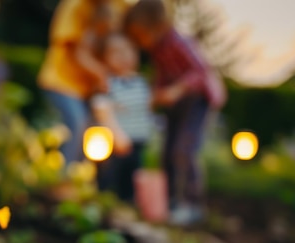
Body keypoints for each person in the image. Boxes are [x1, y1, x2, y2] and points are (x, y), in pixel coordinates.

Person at [123, 0, 226, 225]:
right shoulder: (158, 50)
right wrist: (156, 94)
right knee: (167, 152)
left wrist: (175, 90)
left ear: (157, 26)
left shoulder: (180, 42)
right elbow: (162, 75)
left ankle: (193, 204)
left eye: (140, 35)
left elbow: (201, 73)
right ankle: (169, 201)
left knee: (183, 150)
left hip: (198, 101)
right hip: (177, 105)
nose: (139, 42)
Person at [38, 0, 126, 166]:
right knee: (77, 125)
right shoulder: (75, 6)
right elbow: (77, 52)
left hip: (88, 89)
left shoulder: (116, 6)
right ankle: (65, 178)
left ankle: (86, 180)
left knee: (96, 134)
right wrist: (102, 74)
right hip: (62, 82)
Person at [92, 33, 153, 203]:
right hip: (117, 145)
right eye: (116, 52)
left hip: (139, 142)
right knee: (110, 180)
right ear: (105, 58)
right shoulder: (108, 83)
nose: (123, 56)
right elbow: (100, 106)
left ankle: (128, 205)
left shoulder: (142, 82)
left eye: (127, 50)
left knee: (131, 182)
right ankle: (104, 204)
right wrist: (117, 134)